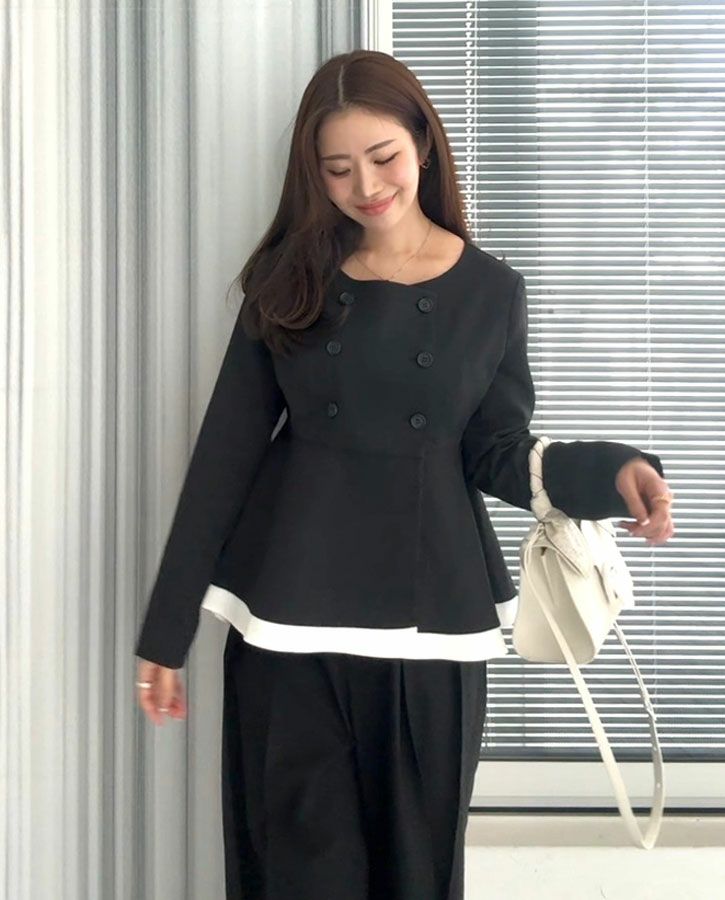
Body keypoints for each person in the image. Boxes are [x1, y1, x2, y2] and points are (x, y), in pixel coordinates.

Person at [134, 50, 674, 900]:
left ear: (423, 142)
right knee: (293, 877)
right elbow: (223, 459)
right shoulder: (288, 282)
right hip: (288, 627)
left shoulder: (489, 292)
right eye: (337, 168)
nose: (366, 185)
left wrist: (616, 474)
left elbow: (496, 450)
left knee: (417, 877)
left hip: (433, 633)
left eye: (383, 156)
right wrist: (165, 636)